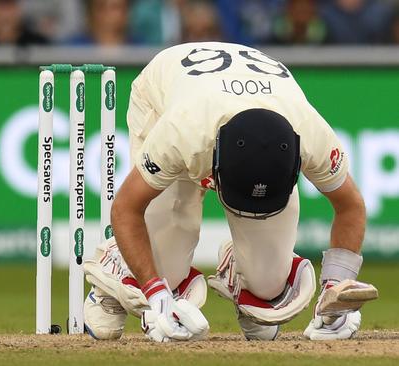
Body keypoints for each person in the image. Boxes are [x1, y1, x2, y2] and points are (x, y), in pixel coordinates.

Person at [83, 41, 377, 342]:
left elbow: (350, 205)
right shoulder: (181, 132)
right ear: (215, 165)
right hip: (166, 92)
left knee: (269, 290)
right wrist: (156, 293)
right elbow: (127, 208)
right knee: (164, 273)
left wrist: (336, 287)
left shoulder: (310, 133)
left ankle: (240, 270)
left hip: (241, 92)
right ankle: (114, 271)